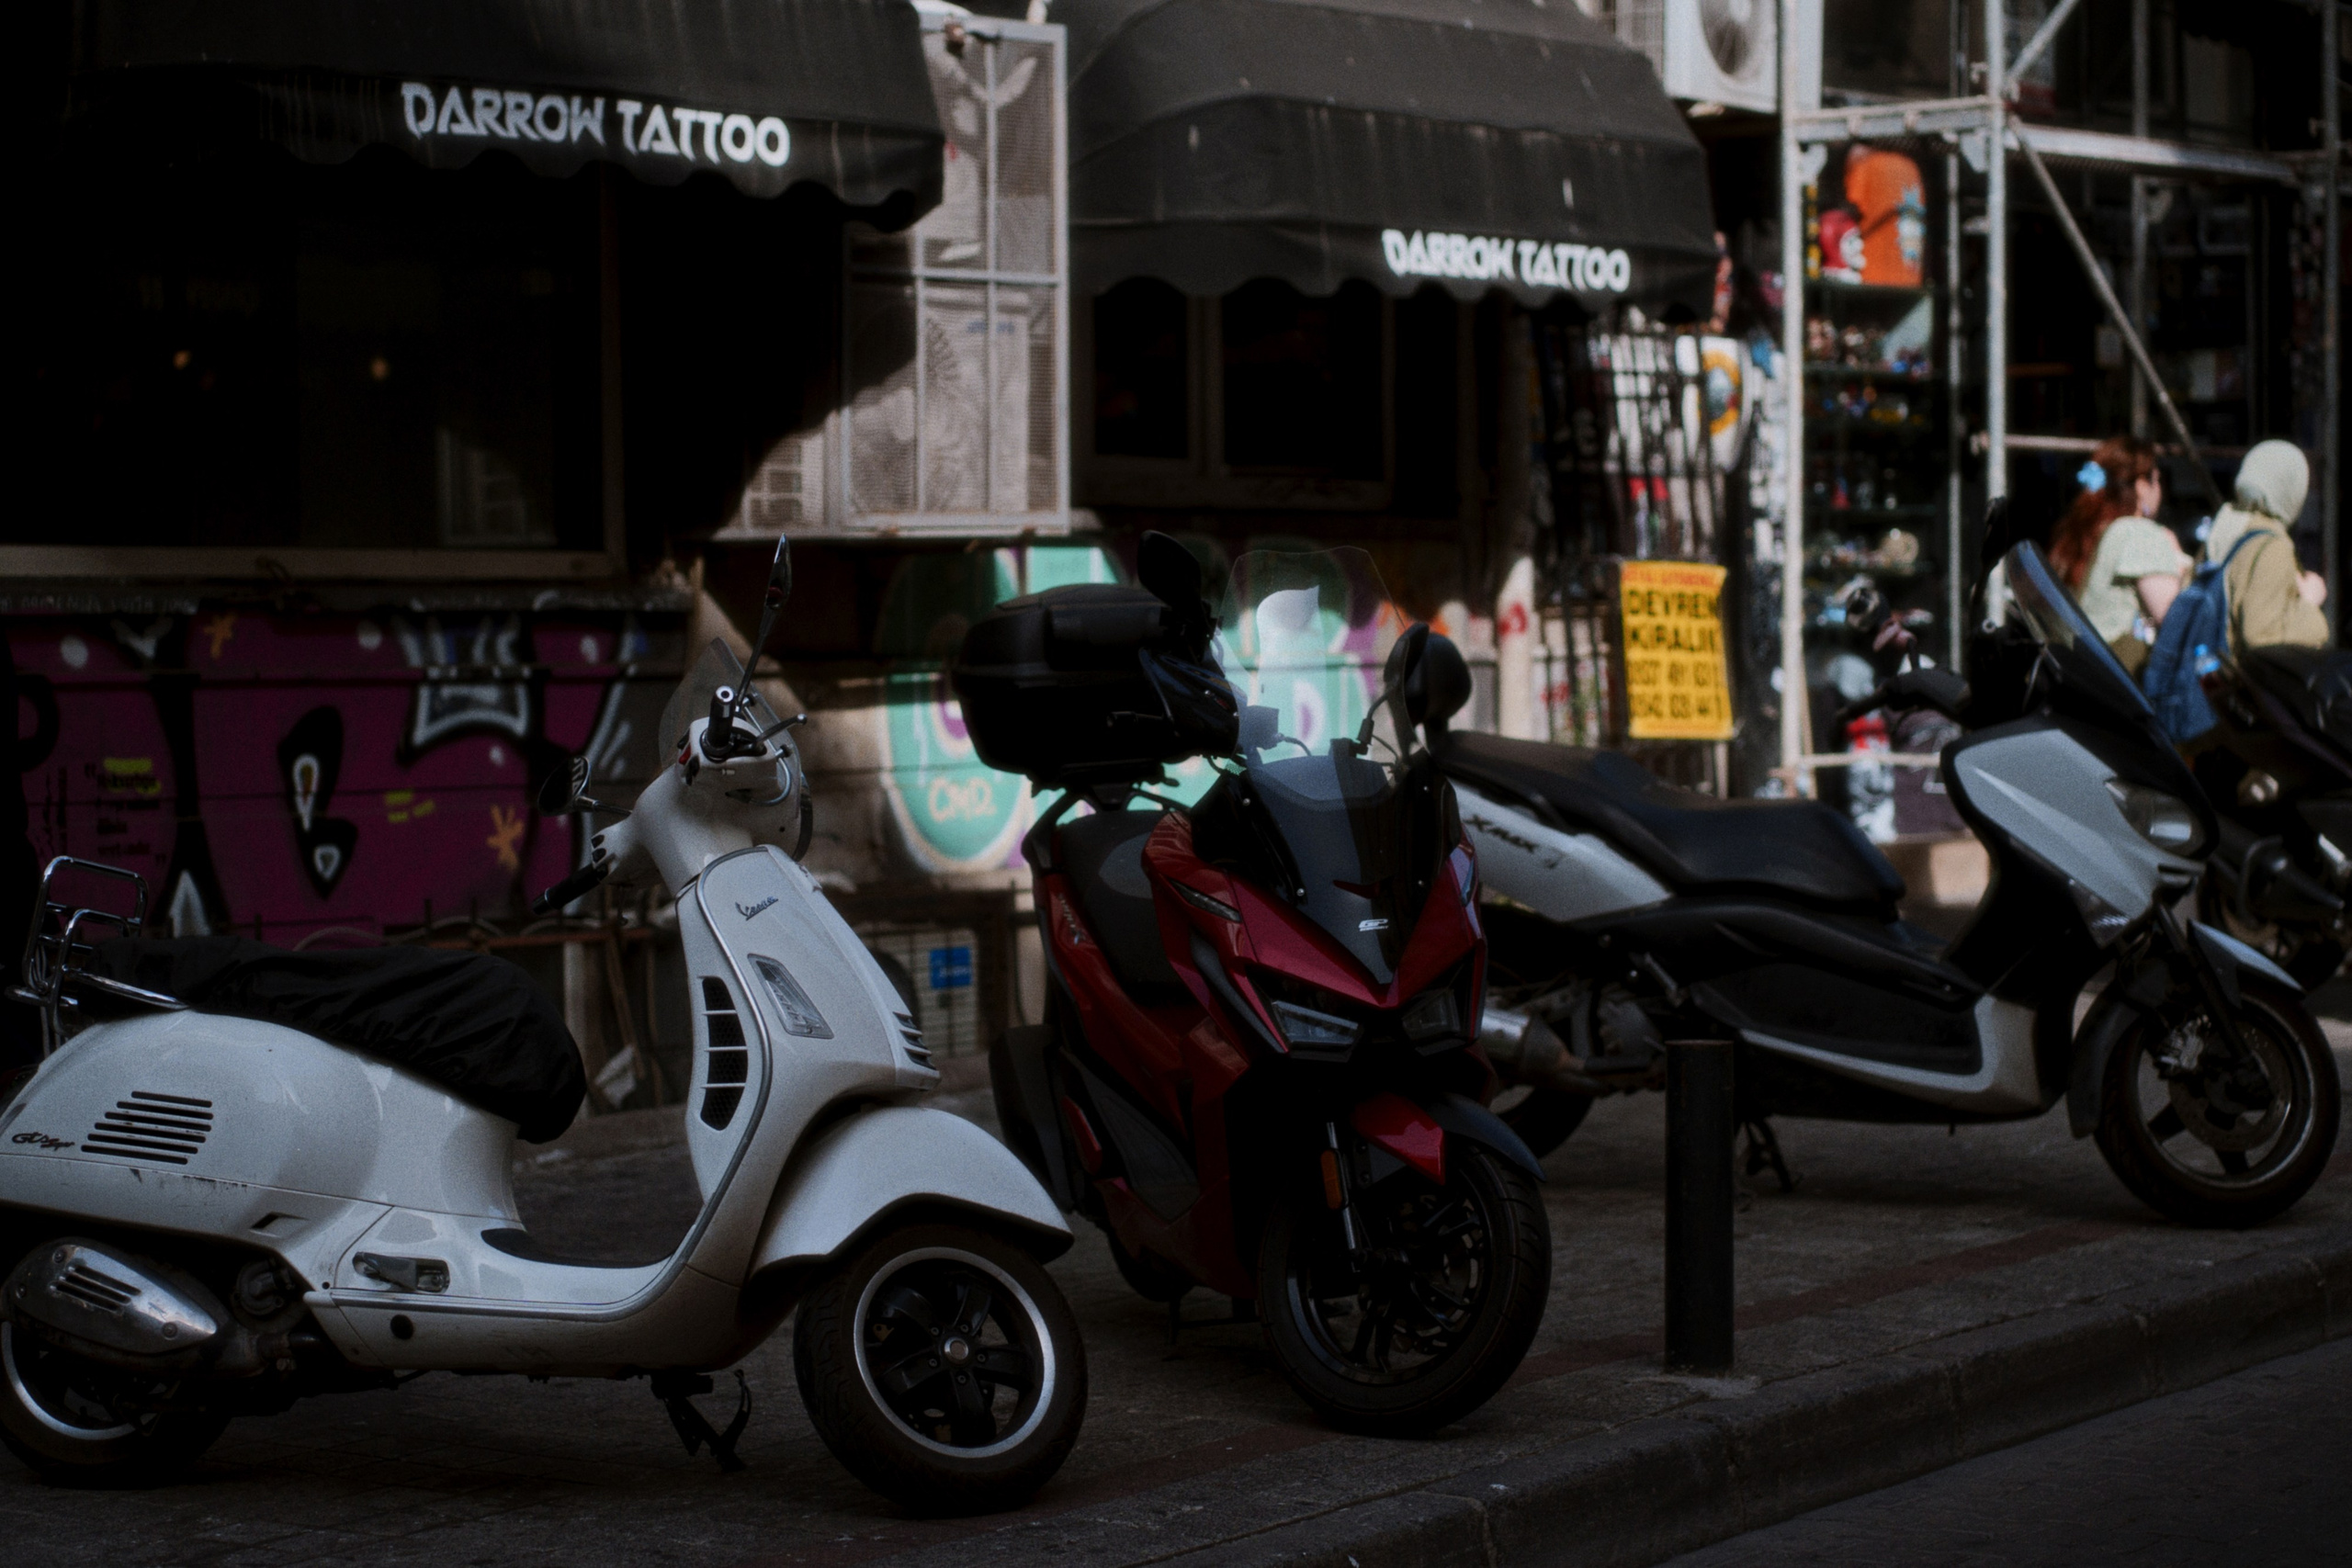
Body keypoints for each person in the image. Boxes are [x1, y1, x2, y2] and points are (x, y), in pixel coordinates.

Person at [2046, 435, 2188, 671]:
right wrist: (2179, 565)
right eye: (2158, 481)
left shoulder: (2091, 530)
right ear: (2143, 487)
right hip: (2122, 681)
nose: (2160, 490)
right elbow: (2176, 620)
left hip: (2087, 675)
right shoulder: (2137, 532)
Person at [2202, 439, 2328, 654]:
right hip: (2237, 682)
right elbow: (2263, 640)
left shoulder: (2225, 526)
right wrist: (2309, 603)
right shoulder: (2270, 547)